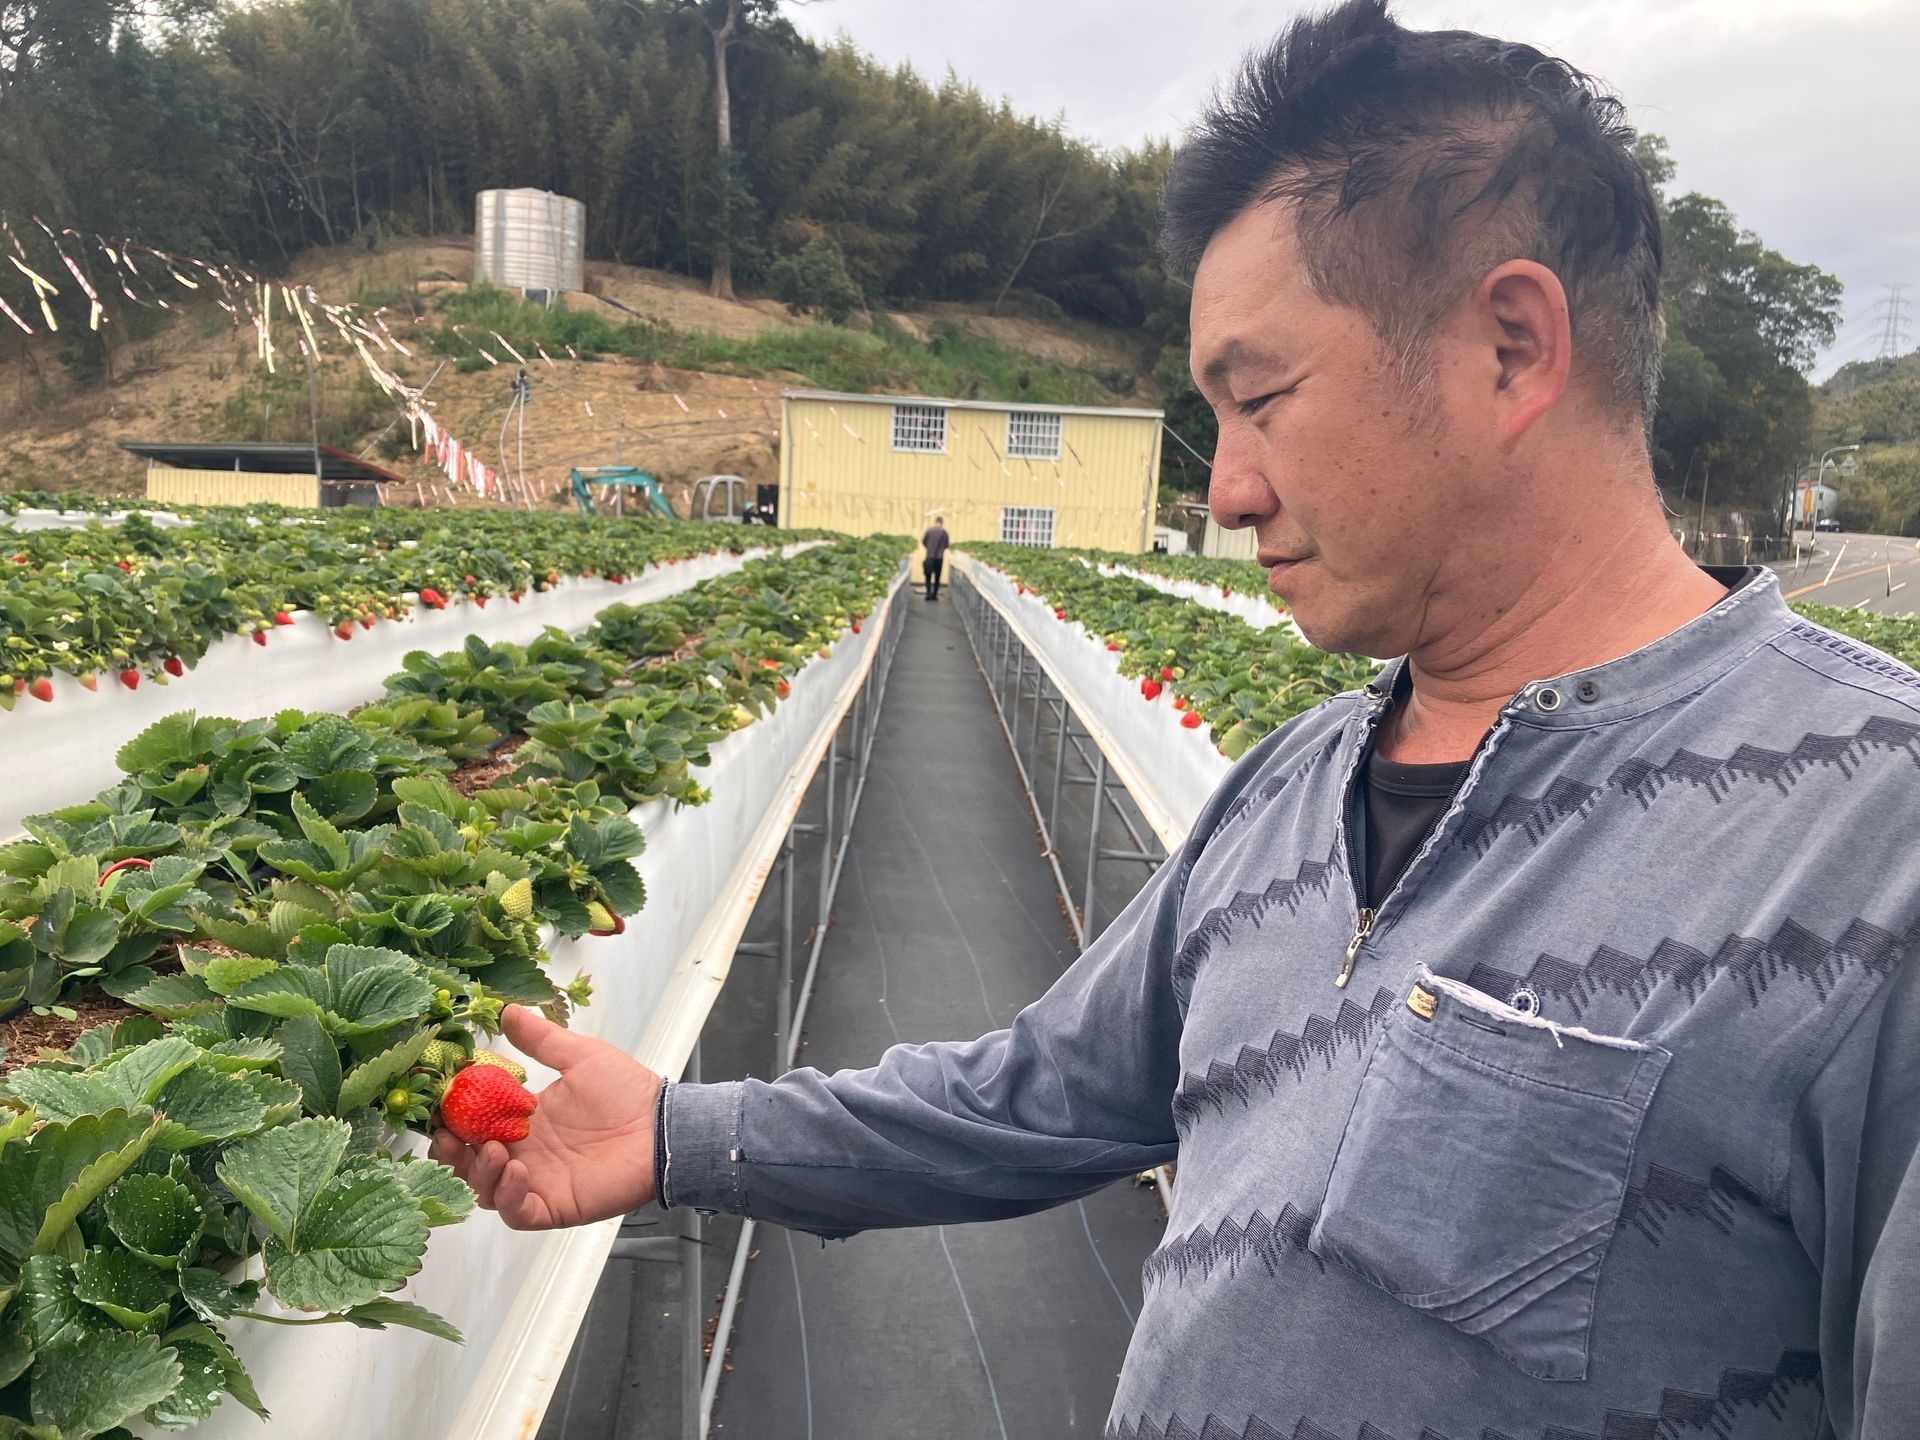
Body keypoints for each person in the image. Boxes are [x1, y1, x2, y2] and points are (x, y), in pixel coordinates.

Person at [434, 3, 1920, 1435]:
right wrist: (683, 1137)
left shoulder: (1873, 844)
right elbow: (1027, 1098)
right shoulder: (1298, 780)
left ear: (1512, 349)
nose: (1225, 490)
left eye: (1260, 397)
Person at [921, 515, 950, 600]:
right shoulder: (944, 532)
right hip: (939, 558)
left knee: (928, 576)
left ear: (935, 522)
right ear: (942, 523)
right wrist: (941, 549)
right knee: (937, 577)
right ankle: (934, 595)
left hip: (929, 556)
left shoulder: (929, 531)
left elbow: (924, 542)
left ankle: (928, 594)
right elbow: (947, 545)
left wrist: (929, 548)